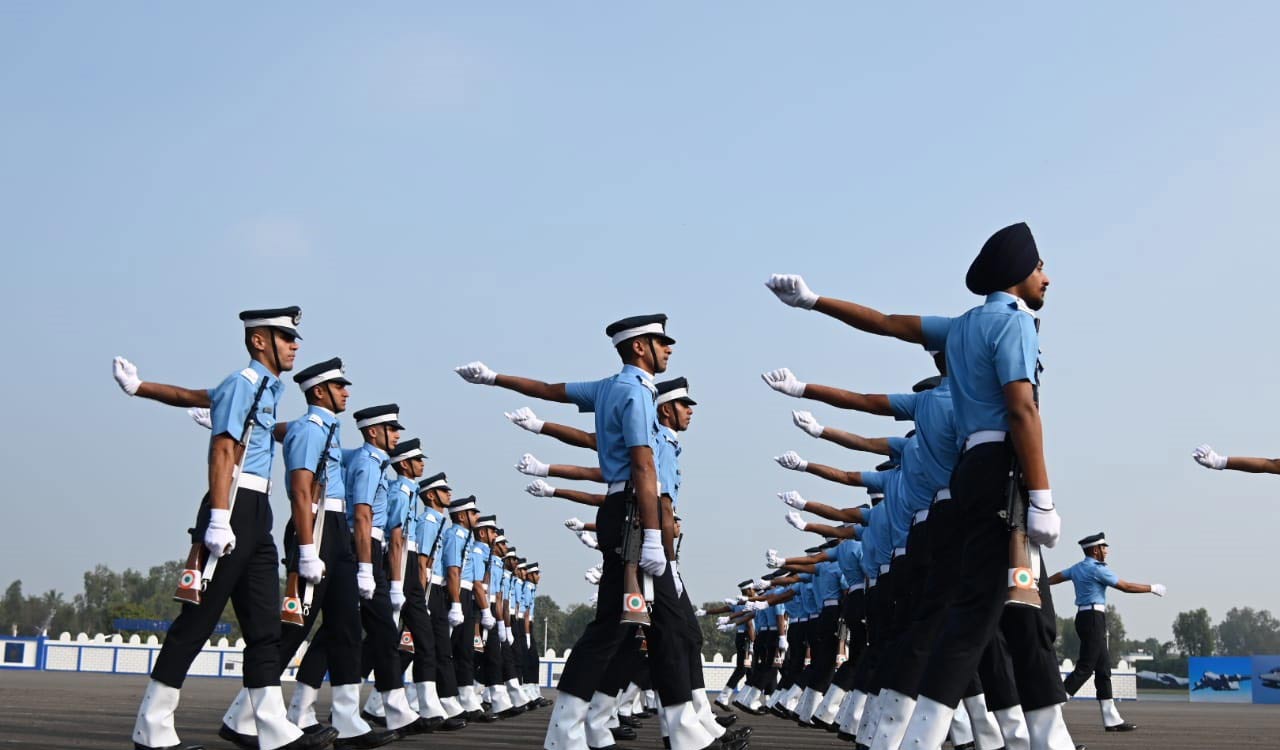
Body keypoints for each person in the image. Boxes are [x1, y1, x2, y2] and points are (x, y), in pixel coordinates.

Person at [767, 222, 1074, 749]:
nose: (1048, 276)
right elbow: (1023, 410)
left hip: (971, 476)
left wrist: (815, 302)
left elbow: (886, 323)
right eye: (1041, 266)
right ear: (1019, 270)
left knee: (973, 617)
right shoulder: (1014, 324)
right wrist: (1043, 499)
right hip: (1005, 471)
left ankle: (930, 739)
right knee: (1022, 616)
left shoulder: (960, 327)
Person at [124, 307, 336, 750]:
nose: (295, 344)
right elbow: (222, 451)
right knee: (198, 621)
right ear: (260, 341)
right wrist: (219, 517)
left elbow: (191, 395)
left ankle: (271, 726)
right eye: (285, 336)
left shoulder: (262, 387)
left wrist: (141, 388)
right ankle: (152, 724)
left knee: (264, 628)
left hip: (258, 513)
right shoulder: (246, 382)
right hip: (233, 508)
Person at [1049, 533, 1165, 732]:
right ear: (1095, 550)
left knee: (1103, 670)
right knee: (1085, 667)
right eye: (1104, 547)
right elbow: (1125, 586)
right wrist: (1152, 588)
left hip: (1085, 618)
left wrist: (1040, 583)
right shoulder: (1097, 570)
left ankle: (1111, 718)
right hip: (1094, 618)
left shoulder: (1078, 568)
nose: (1107, 551)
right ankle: (1052, 708)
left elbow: (1060, 576)